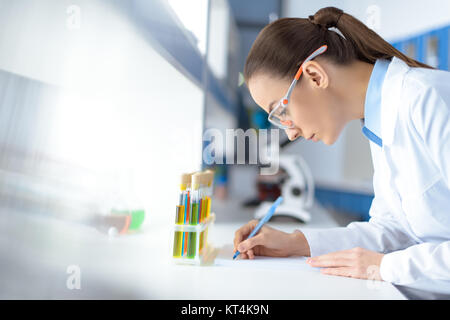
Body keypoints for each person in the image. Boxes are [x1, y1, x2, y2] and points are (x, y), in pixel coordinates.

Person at [234, 7, 450, 290]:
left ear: (314, 76)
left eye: (280, 111)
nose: (290, 130)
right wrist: (295, 243)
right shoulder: (380, 120)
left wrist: (385, 267)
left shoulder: (427, 99)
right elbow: (394, 230)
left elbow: (392, 252)